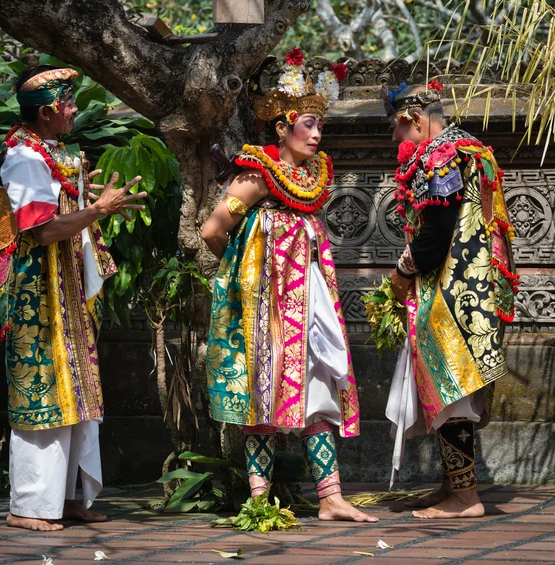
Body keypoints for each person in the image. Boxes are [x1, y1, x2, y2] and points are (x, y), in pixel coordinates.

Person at [202, 49, 377, 523]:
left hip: (311, 304)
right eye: (308, 124)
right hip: (266, 307)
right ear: (282, 128)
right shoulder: (256, 177)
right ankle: (260, 501)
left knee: (318, 386)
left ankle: (330, 497)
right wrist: (244, 277)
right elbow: (213, 231)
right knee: (264, 389)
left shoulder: (310, 178)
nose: (317, 134)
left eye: (320, 125)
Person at [0, 65, 146, 531]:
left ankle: (62, 498)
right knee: (43, 391)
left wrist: (79, 198)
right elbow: (40, 231)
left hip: (62, 291)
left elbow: (56, 211)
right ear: (46, 112)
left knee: (72, 390)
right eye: (69, 103)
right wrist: (96, 209)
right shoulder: (25, 159)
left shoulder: (46, 153)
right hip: (37, 293)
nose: (75, 109)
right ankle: (28, 507)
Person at [382, 81, 517, 519]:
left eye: (398, 131)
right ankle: (452, 485)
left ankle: (465, 498)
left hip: (453, 291)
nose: (398, 142)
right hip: (480, 289)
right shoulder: (473, 148)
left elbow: (436, 231)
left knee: (452, 388)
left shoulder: (439, 155)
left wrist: (403, 273)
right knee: (456, 389)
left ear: (416, 121)